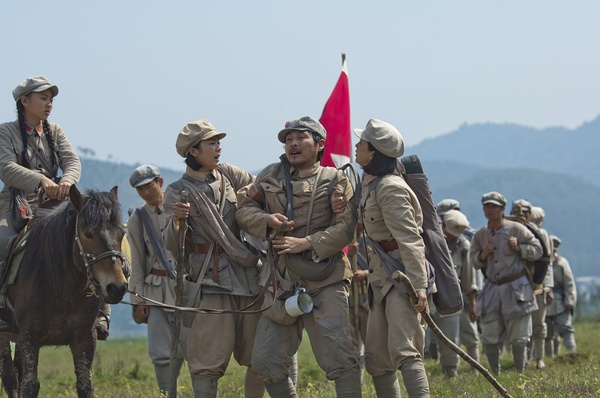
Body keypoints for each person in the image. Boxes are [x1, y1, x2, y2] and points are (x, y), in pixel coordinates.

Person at [236, 116, 361, 397]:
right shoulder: (269, 175)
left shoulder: (336, 180)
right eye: (288, 139)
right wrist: (267, 219)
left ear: (319, 145)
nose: (292, 144)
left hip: (325, 279)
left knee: (341, 359)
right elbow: (243, 210)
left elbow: (346, 227)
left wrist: (305, 242)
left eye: (300, 138)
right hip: (281, 282)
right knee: (265, 361)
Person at [163, 120, 264, 398]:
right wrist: (176, 221)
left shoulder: (230, 175)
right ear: (193, 151)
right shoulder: (176, 191)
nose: (218, 148)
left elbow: (261, 192)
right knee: (207, 365)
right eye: (211, 143)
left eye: (219, 143)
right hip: (210, 283)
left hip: (248, 279)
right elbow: (171, 245)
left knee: (261, 356)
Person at [354, 119, 431, 397]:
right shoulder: (370, 184)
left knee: (405, 349)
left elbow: (410, 240)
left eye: (361, 144)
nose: (356, 146)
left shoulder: (390, 188)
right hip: (381, 277)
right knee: (376, 357)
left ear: (372, 153)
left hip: (402, 277)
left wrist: (419, 287)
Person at [0, 76, 81, 332]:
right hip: (15, 205)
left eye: (51, 100)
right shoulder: (5, 131)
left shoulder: (55, 131)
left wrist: (67, 181)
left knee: (96, 236)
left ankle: (100, 310)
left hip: (56, 205)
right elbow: (5, 167)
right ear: (24, 101)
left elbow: (72, 161)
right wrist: (41, 180)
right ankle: (2, 305)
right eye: (43, 98)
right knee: (2, 240)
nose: (49, 104)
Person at [127, 165, 190, 394]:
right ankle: (168, 394)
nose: (146, 192)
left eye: (149, 186)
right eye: (140, 189)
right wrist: (138, 300)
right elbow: (137, 263)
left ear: (160, 182)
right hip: (155, 292)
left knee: (194, 349)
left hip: (186, 288)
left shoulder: (180, 208)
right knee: (161, 354)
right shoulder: (138, 219)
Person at [470, 192, 543, 374]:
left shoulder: (517, 229)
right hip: (492, 289)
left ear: (502, 209)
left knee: (519, 337)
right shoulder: (480, 235)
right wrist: (482, 255)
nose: (490, 209)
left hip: (516, 287)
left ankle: (520, 373)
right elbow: (473, 261)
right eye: (487, 206)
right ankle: (495, 374)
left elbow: (538, 250)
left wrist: (520, 248)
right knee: (489, 335)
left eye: (494, 206)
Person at [433, 209, 479, 376]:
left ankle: (452, 373)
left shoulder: (464, 247)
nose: (451, 237)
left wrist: (472, 304)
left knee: (451, 338)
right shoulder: (431, 240)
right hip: (430, 297)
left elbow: (469, 279)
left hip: (452, 299)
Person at [522, 204, 554, 369]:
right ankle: (524, 359)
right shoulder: (512, 231)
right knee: (523, 326)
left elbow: (546, 263)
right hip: (518, 285)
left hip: (538, 285)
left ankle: (539, 358)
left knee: (539, 324)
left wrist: (548, 287)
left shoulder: (541, 234)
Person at [545, 235, 577, 356]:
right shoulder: (541, 264)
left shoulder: (562, 263)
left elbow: (569, 284)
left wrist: (569, 302)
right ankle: (549, 358)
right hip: (545, 303)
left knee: (566, 329)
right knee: (546, 334)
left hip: (561, 303)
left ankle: (573, 354)